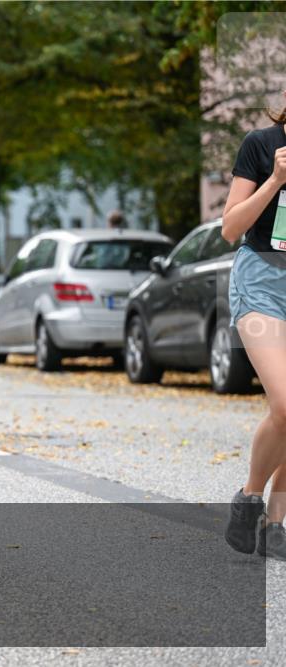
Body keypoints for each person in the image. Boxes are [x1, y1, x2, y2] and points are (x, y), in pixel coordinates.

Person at [222, 94, 286, 561]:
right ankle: (249, 498)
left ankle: (276, 521)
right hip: (261, 280)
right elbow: (230, 228)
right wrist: (276, 181)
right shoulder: (261, 145)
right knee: (285, 404)